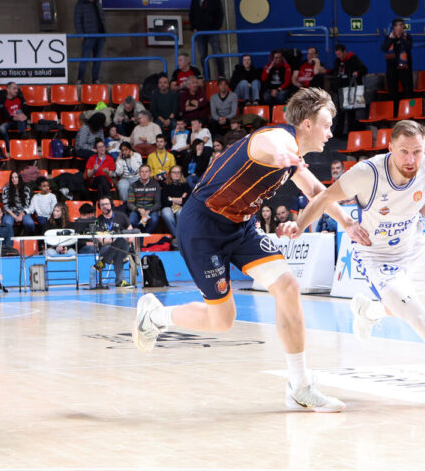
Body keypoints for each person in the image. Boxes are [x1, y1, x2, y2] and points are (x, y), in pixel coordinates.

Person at [132, 87, 368, 412]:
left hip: (241, 226)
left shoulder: (293, 157)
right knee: (222, 320)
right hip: (203, 227)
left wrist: (348, 224)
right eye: (326, 125)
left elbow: (318, 191)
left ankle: (300, 386)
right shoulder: (277, 139)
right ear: (308, 124)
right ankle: (155, 316)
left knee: (288, 286)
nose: (330, 133)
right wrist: (284, 156)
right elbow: (267, 144)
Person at [280, 119, 425, 406]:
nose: (411, 159)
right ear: (390, 148)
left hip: (414, 248)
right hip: (377, 256)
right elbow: (324, 196)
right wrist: (301, 225)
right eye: (404, 152)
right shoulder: (367, 173)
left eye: (417, 151)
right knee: (422, 324)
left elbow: (422, 200)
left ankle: (371, 310)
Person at [93, 196, 135, 288]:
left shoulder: (122, 216)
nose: (105, 206)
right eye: (102, 205)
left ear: (111, 205)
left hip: (124, 247)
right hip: (106, 248)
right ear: (99, 207)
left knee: (120, 242)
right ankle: (121, 281)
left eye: (107, 204)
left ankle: (104, 261)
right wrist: (118, 238)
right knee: (118, 247)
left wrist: (116, 239)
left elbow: (131, 235)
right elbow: (102, 242)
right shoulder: (97, 221)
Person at [189, 0, 224, 80]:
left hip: (212, 31)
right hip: (200, 33)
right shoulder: (194, 1)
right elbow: (191, 16)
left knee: (217, 53)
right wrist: (193, 28)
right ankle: (207, 77)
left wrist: (216, 27)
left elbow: (220, 14)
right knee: (203, 55)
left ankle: (221, 75)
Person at [331, 44, 368, 137]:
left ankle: (351, 132)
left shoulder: (353, 59)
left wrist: (357, 72)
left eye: (340, 54)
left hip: (350, 89)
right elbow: (335, 71)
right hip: (341, 89)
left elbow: (364, 69)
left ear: (345, 52)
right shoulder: (337, 61)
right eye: (337, 55)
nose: (339, 56)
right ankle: (339, 132)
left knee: (351, 111)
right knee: (340, 111)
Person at [74, 0, 106, 84]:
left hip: (100, 35)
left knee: (97, 59)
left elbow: (102, 18)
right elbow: (77, 20)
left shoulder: (97, 3)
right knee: (85, 58)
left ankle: (95, 79)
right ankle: (80, 79)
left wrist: (104, 32)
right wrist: (81, 34)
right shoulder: (81, 4)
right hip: (89, 36)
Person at [381, 18, 414, 106]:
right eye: (401, 25)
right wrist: (391, 39)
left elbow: (408, 46)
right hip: (392, 69)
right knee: (392, 92)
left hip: (405, 68)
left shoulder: (407, 37)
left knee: (408, 90)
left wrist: (400, 37)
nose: (403, 27)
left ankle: (410, 109)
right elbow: (384, 48)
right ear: (394, 27)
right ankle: (395, 111)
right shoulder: (389, 37)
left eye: (403, 25)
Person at [0, 82, 29, 148]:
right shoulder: (3, 101)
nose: (16, 90)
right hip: (10, 122)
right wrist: (13, 118)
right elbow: (5, 115)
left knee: (19, 112)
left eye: (17, 89)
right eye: (14, 88)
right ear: (8, 89)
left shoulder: (19, 99)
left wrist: (24, 116)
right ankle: (8, 147)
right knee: (2, 127)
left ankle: (22, 135)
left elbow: (26, 112)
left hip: (20, 122)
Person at [127, 164, 161, 233]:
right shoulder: (133, 185)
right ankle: (138, 234)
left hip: (151, 210)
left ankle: (145, 235)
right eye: (142, 172)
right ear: (139, 173)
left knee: (154, 220)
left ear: (150, 173)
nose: (144, 173)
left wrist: (149, 210)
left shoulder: (156, 185)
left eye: (146, 171)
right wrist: (138, 209)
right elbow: (130, 203)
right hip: (137, 210)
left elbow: (158, 203)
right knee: (131, 220)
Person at [160, 166, 190, 240]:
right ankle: (176, 236)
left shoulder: (186, 185)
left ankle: (177, 237)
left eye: (178, 172)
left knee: (180, 212)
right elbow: (164, 201)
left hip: (181, 207)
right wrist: (180, 199)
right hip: (168, 207)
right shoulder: (166, 185)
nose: (176, 174)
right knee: (166, 213)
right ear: (170, 174)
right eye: (174, 172)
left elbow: (187, 201)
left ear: (181, 174)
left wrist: (171, 198)